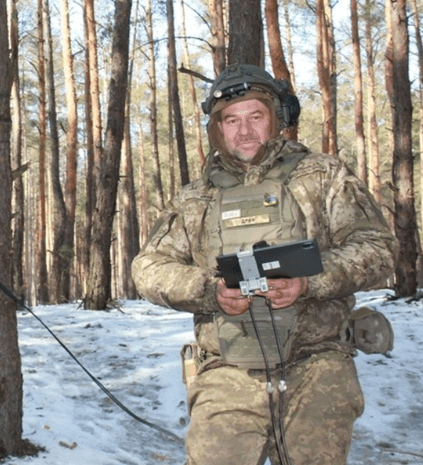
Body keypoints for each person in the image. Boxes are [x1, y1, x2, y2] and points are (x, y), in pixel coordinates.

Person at [131, 64, 396, 465]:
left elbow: (378, 248)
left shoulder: (322, 177)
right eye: (231, 120)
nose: (244, 131)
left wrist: (308, 282)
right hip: (228, 370)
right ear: (217, 129)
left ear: (277, 118)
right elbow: (148, 268)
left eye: (255, 116)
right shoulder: (195, 199)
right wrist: (210, 291)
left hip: (316, 363)